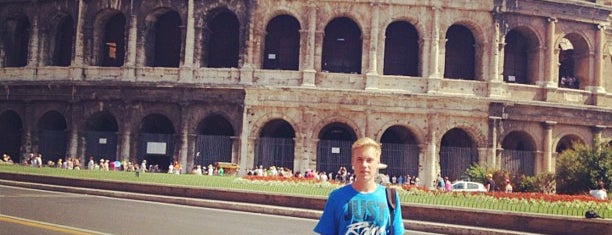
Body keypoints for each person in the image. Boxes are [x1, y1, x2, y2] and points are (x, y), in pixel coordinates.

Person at [314, 137, 404, 235]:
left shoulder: (391, 197)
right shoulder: (336, 197)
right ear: (353, 162)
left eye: (369, 160)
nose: (364, 165)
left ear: (377, 162)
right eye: (359, 159)